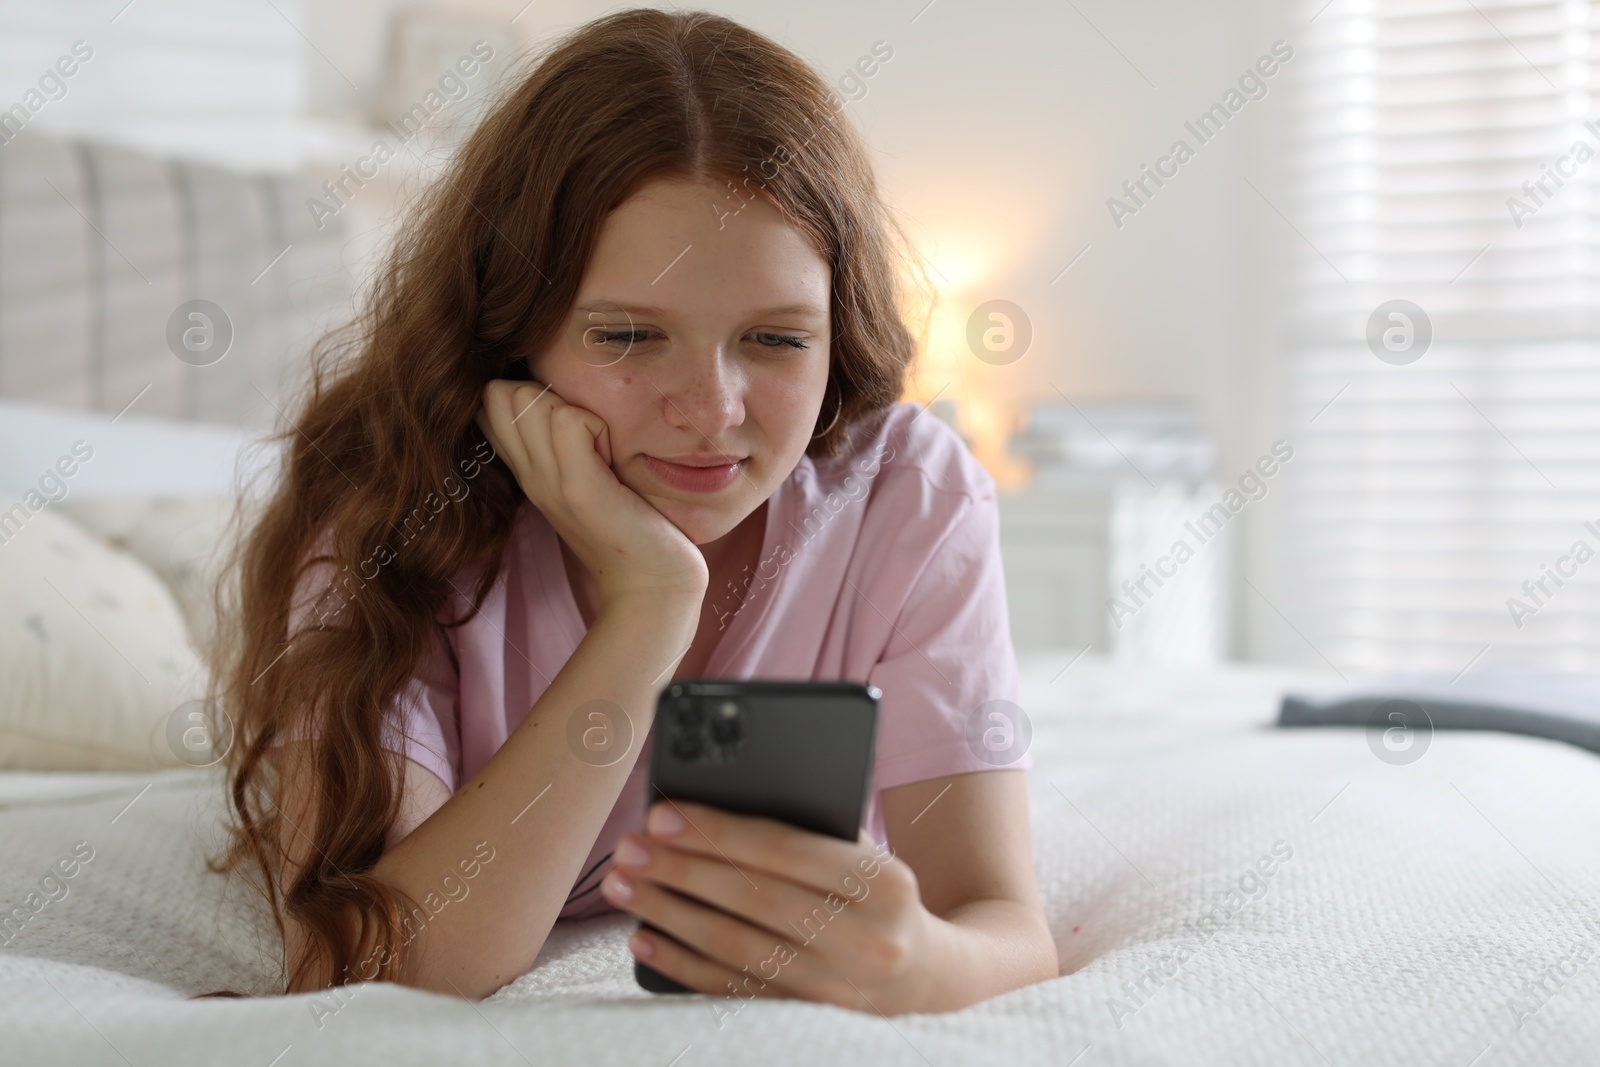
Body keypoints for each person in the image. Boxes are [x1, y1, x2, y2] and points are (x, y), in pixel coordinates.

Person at [211, 7, 1056, 1013]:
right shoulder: (387, 499)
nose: (710, 411)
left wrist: (917, 962)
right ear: (512, 332)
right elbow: (365, 970)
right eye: (624, 336)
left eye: (776, 340)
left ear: (837, 333)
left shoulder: (905, 491)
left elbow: (1001, 923)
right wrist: (650, 604)